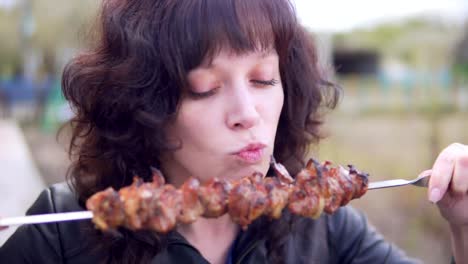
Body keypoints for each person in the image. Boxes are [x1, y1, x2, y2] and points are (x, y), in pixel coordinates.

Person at [1, 0, 467, 263]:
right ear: (145, 105)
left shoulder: (326, 231)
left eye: (264, 79)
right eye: (204, 89)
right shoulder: (59, 236)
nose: (249, 113)